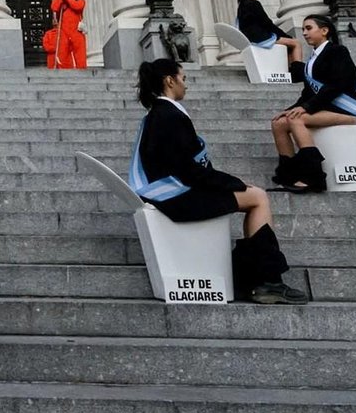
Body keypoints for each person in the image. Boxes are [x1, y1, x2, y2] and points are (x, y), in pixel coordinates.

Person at [130, 58, 307, 305]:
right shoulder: (170, 116)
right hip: (177, 197)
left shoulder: (159, 114)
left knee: (252, 194)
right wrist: (233, 183)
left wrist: (230, 182)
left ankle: (257, 278)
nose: (186, 84)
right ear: (170, 80)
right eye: (183, 78)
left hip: (170, 192)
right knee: (258, 197)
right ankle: (269, 280)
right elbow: (188, 171)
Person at [269, 14, 356, 193]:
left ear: (324, 30)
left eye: (308, 28)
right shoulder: (312, 60)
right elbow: (308, 93)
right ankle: (289, 176)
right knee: (279, 123)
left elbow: (339, 84)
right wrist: (288, 110)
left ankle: (313, 178)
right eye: (304, 29)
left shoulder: (338, 52)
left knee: (297, 120)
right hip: (327, 109)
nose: (304, 33)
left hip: (351, 111)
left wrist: (306, 108)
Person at [234, 0, 304, 64]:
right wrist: (285, 35)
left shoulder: (240, 7)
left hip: (251, 40)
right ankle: (298, 71)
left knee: (288, 45)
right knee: (296, 43)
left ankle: (291, 71)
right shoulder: (254, 4)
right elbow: (266, 23)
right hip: (261, 38)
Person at [50, 0, 87, 70]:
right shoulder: (61, 1)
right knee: (63, 55)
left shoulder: (80, 0)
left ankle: (81, 74)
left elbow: (77, 6)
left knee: (80, 54)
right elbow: (54, 7)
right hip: (63, 31)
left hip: (76, 31)